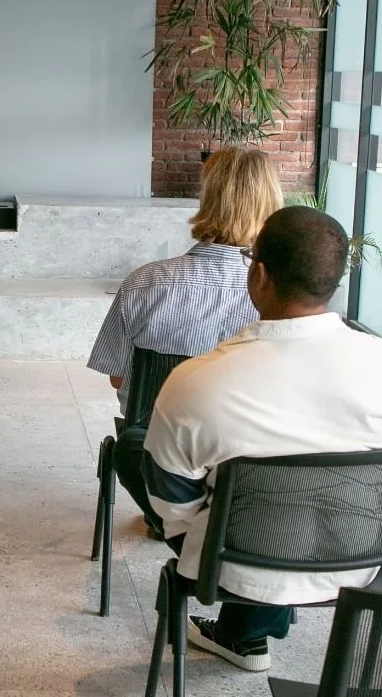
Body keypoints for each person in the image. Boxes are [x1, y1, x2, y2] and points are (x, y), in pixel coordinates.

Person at [144, 206, 382, 672]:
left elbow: (170, 508)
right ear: (333, 281)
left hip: (234, 567)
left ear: (259, 274)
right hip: (364, 563)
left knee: (146, 453)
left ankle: (247, 627)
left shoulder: (198, 380)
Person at [87, 146, 283, 537]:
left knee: (137, 441)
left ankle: (171, 521)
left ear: (207, 198)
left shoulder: (144, 282)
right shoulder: (281, 295)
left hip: (157, 455)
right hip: (251, 459)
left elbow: (117, 380)